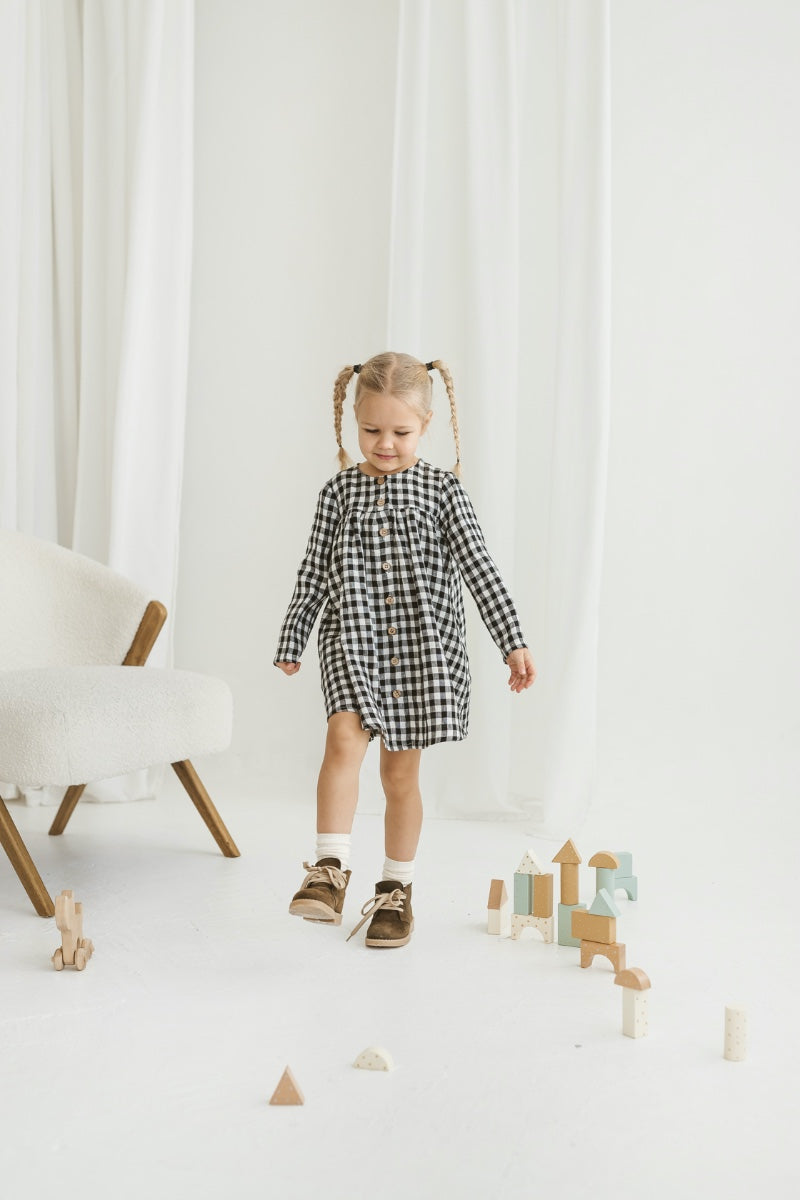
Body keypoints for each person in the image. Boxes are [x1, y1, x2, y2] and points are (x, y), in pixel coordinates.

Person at [274, 351, 536, 949]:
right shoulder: (339, 493)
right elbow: (312, 573)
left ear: (426, 425)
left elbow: (480, 569)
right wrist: (294, 636)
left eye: (401, 432)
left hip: (420, 651)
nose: (385, 444)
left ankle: (396, 890)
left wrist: (512, 641)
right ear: (354, 422)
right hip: (353, 640)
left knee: (399, 774)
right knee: (342, 741)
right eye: (372, 430)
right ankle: (329, 869)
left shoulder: (443, 491)